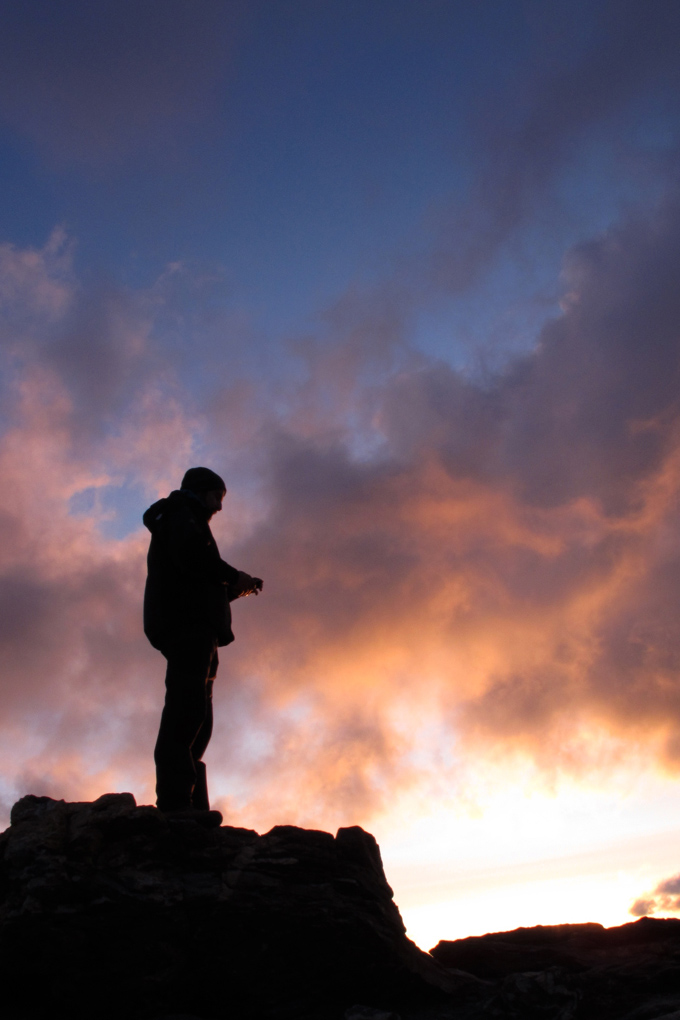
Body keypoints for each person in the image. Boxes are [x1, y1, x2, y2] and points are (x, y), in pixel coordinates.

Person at [143, 466, 262, 823]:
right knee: (186, 709)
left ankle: (191, 803)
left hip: (198, 628)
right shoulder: (181, 515)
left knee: (199, 716)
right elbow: (195, 559)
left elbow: (197, 580)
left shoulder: (186, 520)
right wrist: (232, 576)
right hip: (187, 628)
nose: (220, 506)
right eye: (217, 496)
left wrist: (235, 587)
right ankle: (176, 803)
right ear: (200, 491)